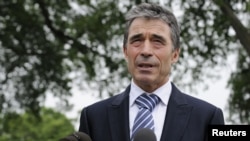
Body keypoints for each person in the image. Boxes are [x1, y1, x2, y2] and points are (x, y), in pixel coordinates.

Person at [78, 3, 224, 141]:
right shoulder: (93, 117)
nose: (146, 51)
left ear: (175, 54)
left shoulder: (208, 117)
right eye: (137, 40)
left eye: (157, 41)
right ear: (125, 51)